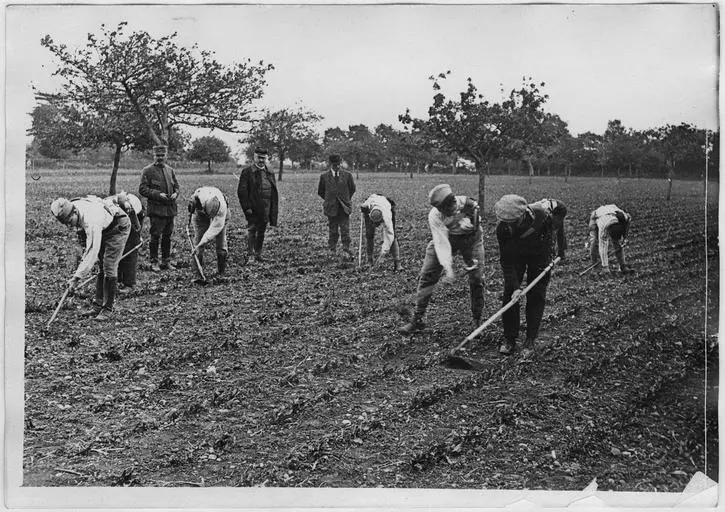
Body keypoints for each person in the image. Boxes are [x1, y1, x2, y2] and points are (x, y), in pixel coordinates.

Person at [398, 184, 484, 334]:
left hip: (471, 241)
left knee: (476, 279)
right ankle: (417, 319)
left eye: (451, 209)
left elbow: (476, 227)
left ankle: (477, 321)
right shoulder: (435, 216)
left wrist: (471, 226)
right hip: (446, 239)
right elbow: (441, 243)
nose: (449, 212)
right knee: (427, 275)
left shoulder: (470, 205)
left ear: (454, 202)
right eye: (445, 211)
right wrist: (448, 269)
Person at [50, 195, 131, 321]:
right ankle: (98, 306)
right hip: (105, 226)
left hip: (118, 227)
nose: (71, 226)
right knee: (101, 267)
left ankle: (108, 309)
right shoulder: (73, 205)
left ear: (75, 212)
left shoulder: (91, 221)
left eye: (70, 221)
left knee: (109, 266)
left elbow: (92, 252)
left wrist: (76, 278)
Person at [495, 194, 554, 357]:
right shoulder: (502, 229)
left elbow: (551, 238)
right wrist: (515, 287)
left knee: (536, 295)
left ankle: (530, 340)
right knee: (509, 295)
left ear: (522, 215)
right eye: (505, 222)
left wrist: (551, 258)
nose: (509, 225)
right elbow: (506, 261)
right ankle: (509, 339)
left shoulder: (541, 216)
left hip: (540, 254)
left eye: (512, 222)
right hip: (516, 256)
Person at [139, 145, 180, 271]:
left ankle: (166, 261)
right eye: (158, 155)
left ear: (166, 156)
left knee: (167, 236)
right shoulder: (147, 171)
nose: (160, 158)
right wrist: (158, 195)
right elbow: (142, 189)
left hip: (169, 210)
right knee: (155, 236)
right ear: (154, 156)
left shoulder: (170, 170)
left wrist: (175, 193)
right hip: (157, 210)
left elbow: (177, 187)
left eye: (162, 155)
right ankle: (154, 262)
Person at [237, 147, 279, 262]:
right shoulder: (247, 172)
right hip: (253, 207)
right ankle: (250, 254)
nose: (261, 160)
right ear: (254, 157)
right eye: (259, 158)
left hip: (266, 207)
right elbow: (242, 192)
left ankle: (258, 254)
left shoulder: (269, 172)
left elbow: (273, 190)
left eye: (263, 158)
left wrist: (272, 208)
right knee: (252, 230)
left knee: (261, 231)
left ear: (266, 158)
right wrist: (247, 207)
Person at [318, 154, 356, 260]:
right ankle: (332, 249)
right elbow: (321, 192)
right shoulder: (324, 176)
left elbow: (352, 189)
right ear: (331, 164)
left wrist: (345, 200)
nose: (337, 166)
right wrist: (330, 200)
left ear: (341, 163)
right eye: (335, 165)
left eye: (339, 164)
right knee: (333, 230)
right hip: (331, 208)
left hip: (344, 208)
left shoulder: (348, 175)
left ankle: (346, 248)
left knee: (345, 230)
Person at [188, 186, 229, 281]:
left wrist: (203, 242)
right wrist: (198, 245)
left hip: (222, 211)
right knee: (198, 239)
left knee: (221, 241)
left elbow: (213, 231)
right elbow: (191, 203)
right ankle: (197, 273)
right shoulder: (199, 197)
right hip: (200, 213)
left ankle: (221, 271)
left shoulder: (222, 210)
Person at [106, 192, 144, 294]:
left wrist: (137, 237)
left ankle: (129, 284)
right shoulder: (106, 209)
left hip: (135, 214)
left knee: (130, 249)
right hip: (119, 216)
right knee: (117, 249)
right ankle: (117, 279)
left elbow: (136, 227)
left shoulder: (129, 207)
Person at [360, 194, 401, 272]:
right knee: (369, 234)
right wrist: (363, 208)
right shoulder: (367, 207)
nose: (376, 226)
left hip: (386, 204)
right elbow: (364, 205)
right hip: (372, 202)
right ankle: (369, 261)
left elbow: (389, 235)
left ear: (381, 220)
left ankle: (397, 263)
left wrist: (383, 254)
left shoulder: (387, 216)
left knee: (393, 235)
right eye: (374, 223)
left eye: (377, 223)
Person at [587, 204, 632, 274]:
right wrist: (605, 266)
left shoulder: (624, 218)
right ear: (609, 231)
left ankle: (623, 266)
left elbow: (628, 221)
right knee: (594, 241)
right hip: (596, 216)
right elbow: (603, 246)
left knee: (617, 242)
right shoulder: (604, 226)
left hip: (611, 212)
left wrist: (625, 237)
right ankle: (595, 268)